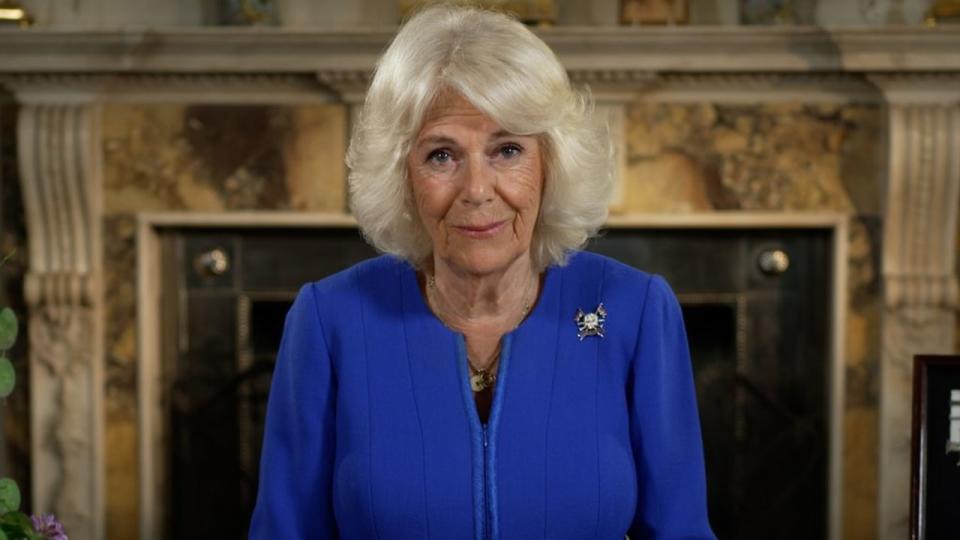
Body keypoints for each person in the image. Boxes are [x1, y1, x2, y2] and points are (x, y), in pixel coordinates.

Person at [249, 4, 714, 539]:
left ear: (551, 164)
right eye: (442, 156)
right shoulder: (329, 321)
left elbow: (681, 530)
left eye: (507, 150)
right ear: (402, 175)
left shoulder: (635, 312)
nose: (476, 190)